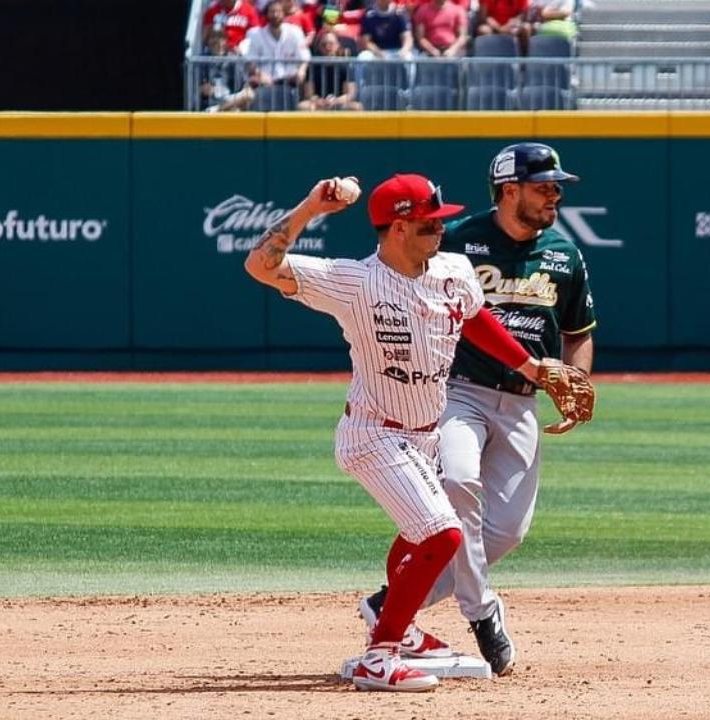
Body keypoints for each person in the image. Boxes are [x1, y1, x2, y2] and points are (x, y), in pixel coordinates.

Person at [244, 173, 570, 691]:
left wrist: (531, 367)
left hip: (424, 436)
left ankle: (399, 624)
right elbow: (260, 265)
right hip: (374, 434)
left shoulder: (452, 269)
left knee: (416, 532)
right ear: (396, 228)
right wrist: (310, 207)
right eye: (427, 224)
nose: (439, 230)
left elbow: (476, 319)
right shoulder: (353, 281)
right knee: (442, 533)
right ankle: (380, 654)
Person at [358, 143, 597, 676]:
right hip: (456, 391)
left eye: (556, 186)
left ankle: (392, 603)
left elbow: (578, 332)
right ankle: (482, 610)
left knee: (506, 529)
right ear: (509, 191)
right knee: (458, 486)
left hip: (521, 401)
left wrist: (574, 380)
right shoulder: (458, 240)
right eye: (544, 186)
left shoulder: (564, 253)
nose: (554, 194)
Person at [243, 0, 311, 90]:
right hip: (264, 83)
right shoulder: (256, 35)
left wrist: (301, 71)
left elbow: (304, 57)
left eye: (278, 11)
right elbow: (250, 61)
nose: (275, 15)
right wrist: (260, 74)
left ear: (284, 13)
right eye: (272, 12)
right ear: (266, 14)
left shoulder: (295, 32)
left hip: (290, 82)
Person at [299, 30, 363, 110]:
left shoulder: (345, 67)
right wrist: (319, 101)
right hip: (319, 104)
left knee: (356, 107)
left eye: (331, 44)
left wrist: (336, 101)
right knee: (303, 106)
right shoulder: (312, 68)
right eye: (324, 44)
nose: (327, 47)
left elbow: (350, 94)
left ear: (337, 45)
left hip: (339, 104)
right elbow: (309, 94)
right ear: (319, 47)